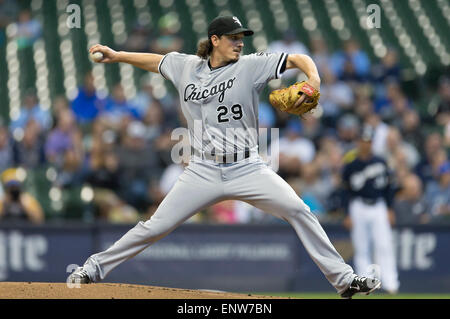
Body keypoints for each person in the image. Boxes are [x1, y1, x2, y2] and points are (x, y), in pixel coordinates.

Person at [68, 15, 380, 298]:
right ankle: (92, 269)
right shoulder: (185, 66)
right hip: (202, 169)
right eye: (232, 37)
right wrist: (118, 55)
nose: (239, 42)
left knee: (298, 209)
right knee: (154, 226)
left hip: (248, 166)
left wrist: (314, 79)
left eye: (241, 37)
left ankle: (345, 281)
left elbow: (299, 58)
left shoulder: (250, 65)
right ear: (215, 40)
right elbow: (156, 61)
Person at [341, 125, 400, 294]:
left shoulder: (380, 162)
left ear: (372, 142)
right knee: (361, 247)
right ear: (358, 142)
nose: (366, 144)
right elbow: (345, 191)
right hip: (358, 205)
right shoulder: (351, 165)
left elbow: (389, 188)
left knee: (384, 245)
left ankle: (391, 283)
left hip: (378, 205)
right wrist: (347, 213)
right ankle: (365, 284)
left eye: (368, 141)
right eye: (363, 140)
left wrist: (390, 208)